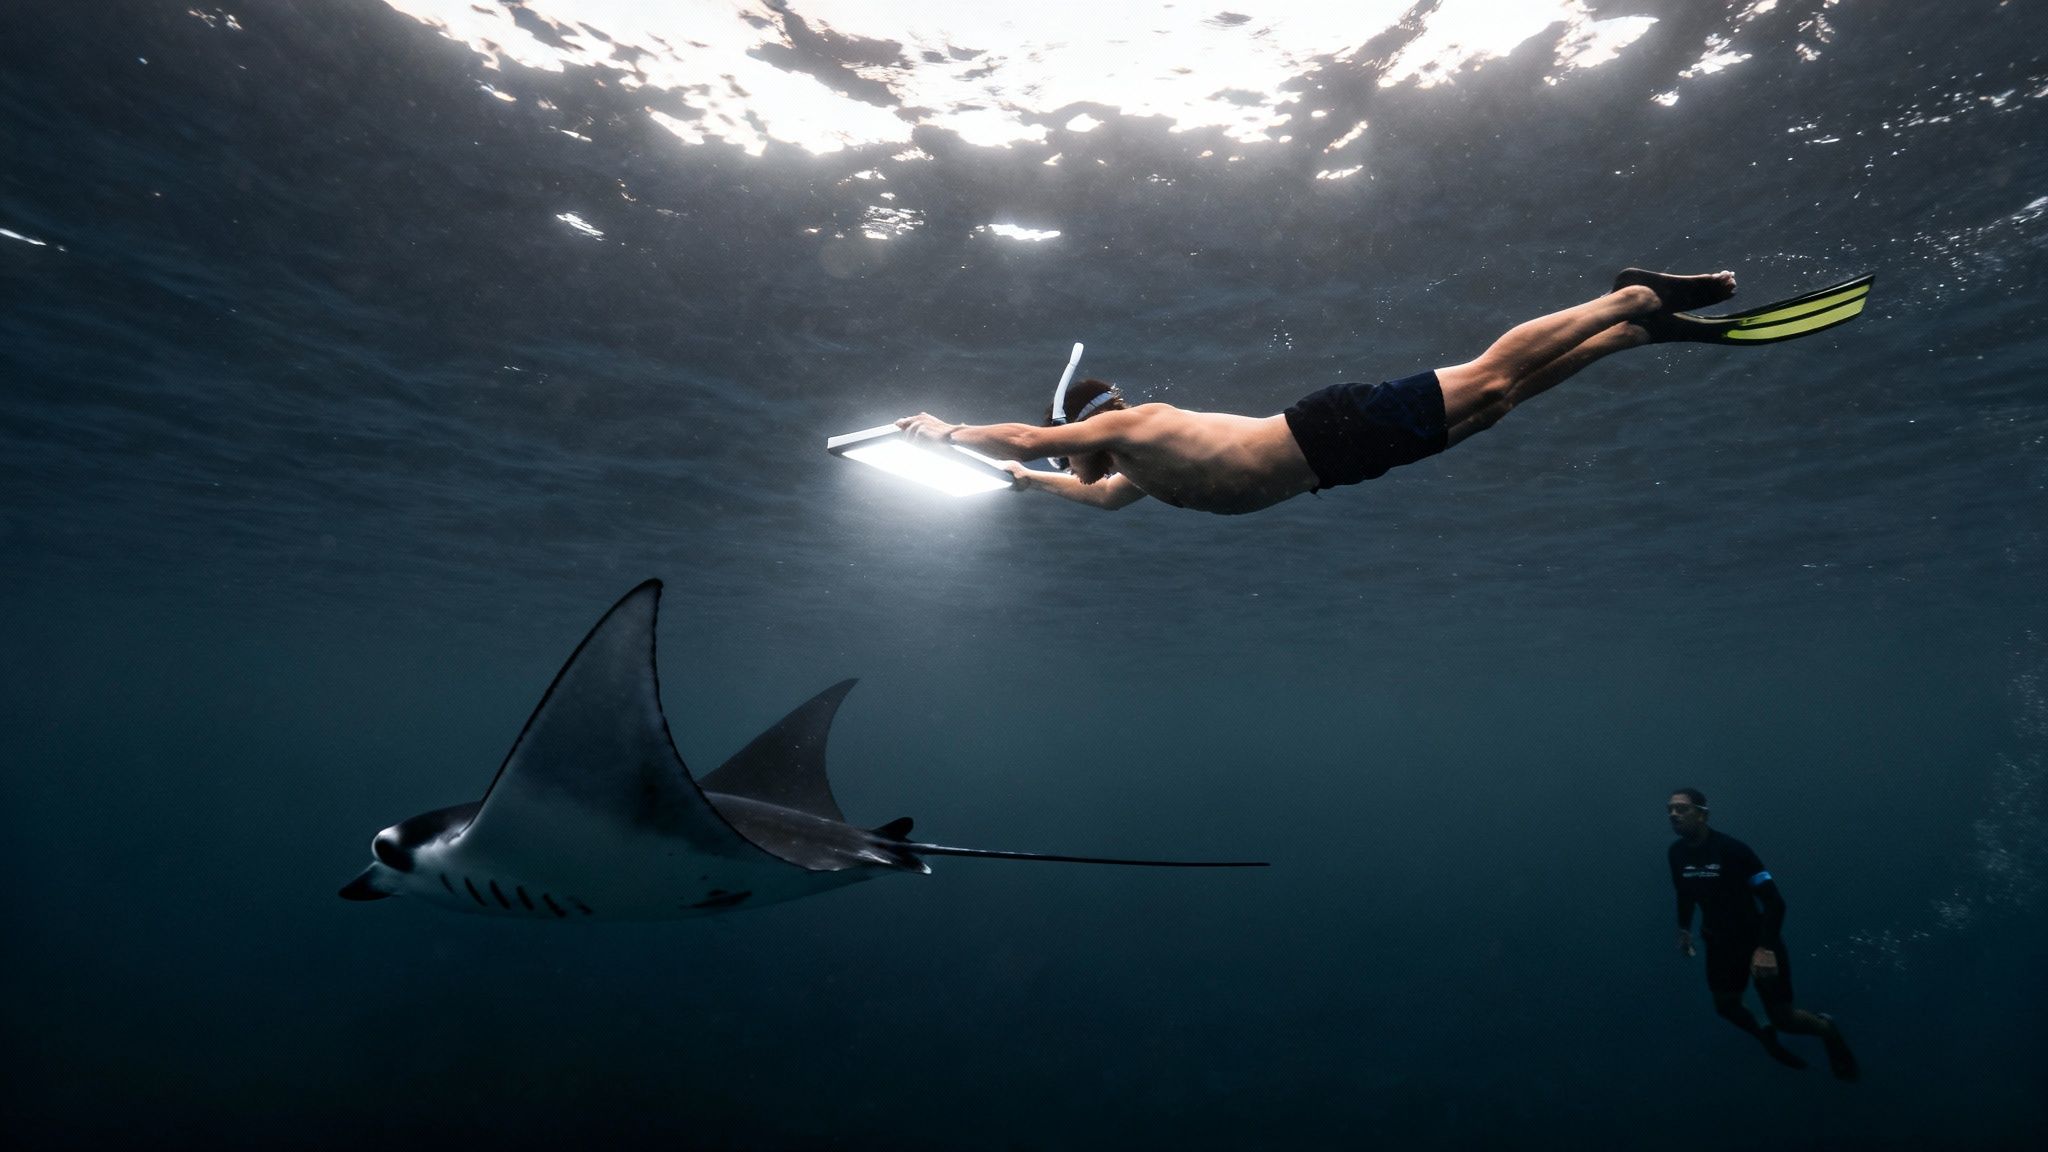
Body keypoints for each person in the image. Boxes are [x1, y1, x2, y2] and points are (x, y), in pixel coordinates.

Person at [895, 268, 1871, 515]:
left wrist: (944, 434)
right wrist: (1025, 487)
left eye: (1074, 446)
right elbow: (1089, 496)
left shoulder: (1141, 426)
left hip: (1332, 428)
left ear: (1091, 425)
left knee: (1489, 374)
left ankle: (1628, 295)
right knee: (1500, 403)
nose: (1073, 463)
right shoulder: (1133, 475)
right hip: (1344, 463)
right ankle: (1630, 335)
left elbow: (1032, 440)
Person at [1666, 788, 1859, 1080]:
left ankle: (1827, 1029)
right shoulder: (1676, 853)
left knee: (1785, 1019)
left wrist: (1765, 948)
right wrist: (1684, 929)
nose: (1673, 814)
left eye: (1682, 808)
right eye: (1669, 809)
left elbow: (1775, 902)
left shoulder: (1734, 851)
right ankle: (1765, 1035)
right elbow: (1684, 894)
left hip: (1756, 940)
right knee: (1726, 1006)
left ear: (1703, 814)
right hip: (1719, 943)